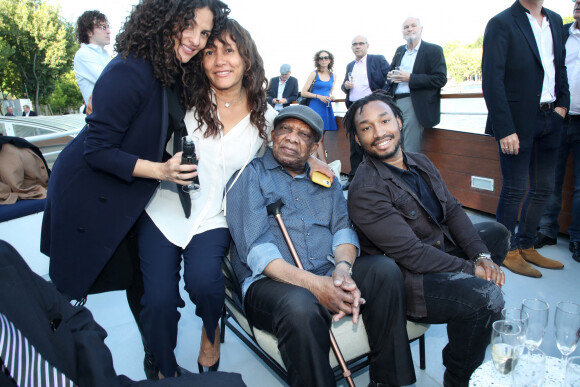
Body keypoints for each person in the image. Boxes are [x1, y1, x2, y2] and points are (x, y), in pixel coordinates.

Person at [41, 0, 230, 380]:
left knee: (138, 283)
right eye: (188, 26)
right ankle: (51, 364)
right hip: (88, 194)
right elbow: (97, 150)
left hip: (129, 195)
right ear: (163, 20)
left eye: (205, 32)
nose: (195, 40)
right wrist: (161, 170)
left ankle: (157, 364)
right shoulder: (130, 69)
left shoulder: (169, 69)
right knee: (69, 293)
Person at [138, 18, 333, 379]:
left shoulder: (266, 119)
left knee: (206, 286)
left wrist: (316, 160)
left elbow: (289, 147)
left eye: (229, 50)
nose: (219, 60)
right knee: (159, 301)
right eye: (209, 52)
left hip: (216, 217)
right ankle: (163, 368)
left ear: (246, 58)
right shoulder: (182, 102)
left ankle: (210, 333)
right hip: (165, 209)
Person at [226, 104, 416, 387]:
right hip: (273, 283)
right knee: (300, 306)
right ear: (272, 136)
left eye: (303, 135)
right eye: (285, 130)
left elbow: (342, 229)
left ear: (315, 146)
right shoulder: (251, 175)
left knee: (384, 271)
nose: (292, 138)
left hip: (326, 268)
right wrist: (316, 285)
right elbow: (257, 251)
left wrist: (342, 268)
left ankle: (387, 381)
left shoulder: (326, 180)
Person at [344, 92, 508, 387]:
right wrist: (472, 270)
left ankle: (465, 321)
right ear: (358, 139)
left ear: (399, 121)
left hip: (435, 250)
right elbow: (412, 255)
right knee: (487, 298)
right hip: (409, 281)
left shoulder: (419, 161)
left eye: (384, 121)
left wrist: (481, 258)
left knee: (495, 235)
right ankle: (459, 377)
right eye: (366, 127)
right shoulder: (366, 189)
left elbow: (454, 211)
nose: (379, 133)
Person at [0, 240, 246, 387]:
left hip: (91, 379)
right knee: (157, 296)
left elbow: (77, 320)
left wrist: (100, 376)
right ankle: (162, 364)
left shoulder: (4, 259)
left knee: (232, 384)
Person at [482, 0, 569, 278]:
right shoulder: (501, 22)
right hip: (517, 122)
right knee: (514, 189)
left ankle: (526, 244)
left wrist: (562, 107)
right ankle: (505, 251)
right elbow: (491, 79)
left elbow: (560, 67)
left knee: (544, 188)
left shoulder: (555, 20)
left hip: (551, 117)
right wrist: (505, 128)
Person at [535, 0, 580, 263]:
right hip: (558, 118)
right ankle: (547, 231)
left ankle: (576, 238)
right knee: (550, 179)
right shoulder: (559, 33)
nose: (577, 4)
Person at [386, 17, 447, 153]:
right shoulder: (399, 51)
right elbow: (390, 71)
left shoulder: (434, 50)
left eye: (413, 26)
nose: (409, 29)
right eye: (406, 27)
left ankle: (410, 174)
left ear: (421, 29)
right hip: (394, 103)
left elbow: (440, 79)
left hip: (415, 103)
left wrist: (410, 78)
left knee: (410, 148)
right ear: (403, 32)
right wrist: (390, 77)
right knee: (395, 145)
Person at [341, 35, 390, 188]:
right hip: (354, 108)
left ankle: (379, 177)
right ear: (351, 47)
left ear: (367, 45)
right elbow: (344, 87)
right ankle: (354, 178)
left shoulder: (378, 59)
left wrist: (380, 100)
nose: (358, 46)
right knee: (354, 144)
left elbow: (389, 79)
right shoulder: (350, 65)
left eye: (361, 43)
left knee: (374, 140)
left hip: (373, 107)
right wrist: (345, 86)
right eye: (354, 44)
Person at [300, 50, 337, 163]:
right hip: (315, 107)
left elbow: (329, 92)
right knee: (316, 138)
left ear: (330, 60)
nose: (324, 60)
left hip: (326, 108)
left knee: (320, 139)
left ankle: (316, 165)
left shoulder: (333, 76)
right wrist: (318, 96)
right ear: (317, 60)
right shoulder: (314, 74)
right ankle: (322, 165)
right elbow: (303, 92)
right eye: (321, 58)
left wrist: (332, 97)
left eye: (326, 57)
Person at [74, 10, 111, 112]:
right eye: (103, 27)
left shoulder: (104, 54)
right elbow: (111, 81)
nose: (108, 31)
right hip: (101, 119)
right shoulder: (83, 54)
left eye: (108, 27)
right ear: (89, 32)